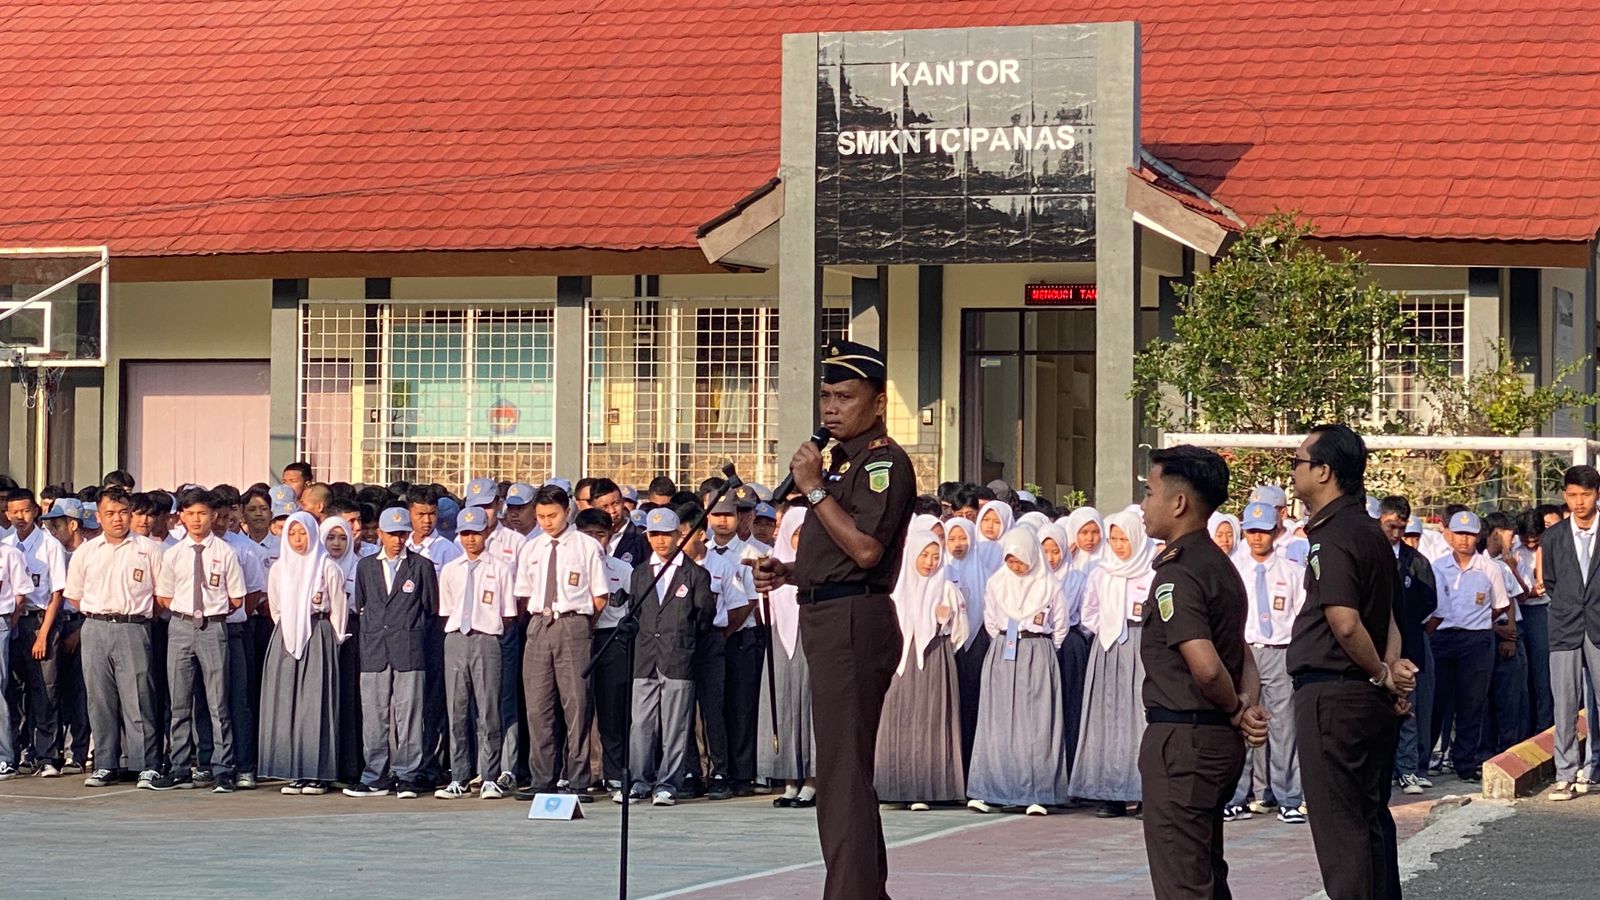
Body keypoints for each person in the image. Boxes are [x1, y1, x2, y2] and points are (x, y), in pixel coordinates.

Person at [754, 339, 917, 900]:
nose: (830, 407)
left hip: (854, 622)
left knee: (843, 776)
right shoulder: (843, 463)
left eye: (845, 396)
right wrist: (791, 572)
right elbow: (840, 557)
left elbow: (868, 553)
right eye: (825, 395)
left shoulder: (883, 463)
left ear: (876, 404)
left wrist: (814, 488)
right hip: (829, 614)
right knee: (842, 772)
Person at [1287, 424, 1417, 900]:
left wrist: (1382, 673)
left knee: (1341, 829)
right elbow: (1388, 621)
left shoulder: (1334, 535)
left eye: (1299, 462)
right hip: (1364, 695)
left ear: (1324, 472)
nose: (1295, 470)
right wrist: (1388, 678)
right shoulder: (1369, 532)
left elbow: (1344, 622)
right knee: (1369, 819)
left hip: (1334, 693)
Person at [1138, 446, 1269, 899]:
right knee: (1206, 871)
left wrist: (1236, 708)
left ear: (1178, 503)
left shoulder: (1181, 572)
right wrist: (1246, 705)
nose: (1144, 504)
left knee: (1183, 880)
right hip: (1212, 740)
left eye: (1150, 492)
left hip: (1184, 740)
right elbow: (1242, 652)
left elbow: (1208, 665)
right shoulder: (1220, 566)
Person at [512, 484, 610, 801]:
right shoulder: (531, 548)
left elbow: (599, 597)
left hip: (573, 622)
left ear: (567, 511)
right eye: (540, 516)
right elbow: (523, 593)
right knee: (538, 707)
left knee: (577, 705)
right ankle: (543, 778)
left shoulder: (585, 546)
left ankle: (578, 779)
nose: (546, 522)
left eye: (552, 515)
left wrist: (579, 624)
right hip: (540, 623)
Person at [63, 489, 165, 789]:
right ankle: (106, 763)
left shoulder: (148, 549)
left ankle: (146, 764)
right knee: (99, 698)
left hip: (134, 626)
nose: (117, 519)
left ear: (130, 513)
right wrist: (101, 615)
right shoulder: (87, 551)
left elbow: (162, 595)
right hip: (95, 627)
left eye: (122, 512)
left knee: (139, 696)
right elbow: (75, 596)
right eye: (110, 513)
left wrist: (139, 616)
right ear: (99, 516)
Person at [966, 527, 1071, 815]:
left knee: (1036, 722)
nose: (1015, 565)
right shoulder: (997, 582)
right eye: (1010, 559)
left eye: (1020, 559)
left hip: (1037, 650)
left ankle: (1037, 791)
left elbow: (1060, 627)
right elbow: (990, 620)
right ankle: (992, 790)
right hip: (1004, 651)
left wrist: (1041, 649)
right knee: (998, 721)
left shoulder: (1050, 586)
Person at [151, 488, 247, 792]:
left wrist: (209, 612)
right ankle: (180, 766)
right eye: (190, 514)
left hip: (214, 627)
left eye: (202, 513)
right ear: (181, 517)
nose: (196, 520)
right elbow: (164, 596)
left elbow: (236, 598)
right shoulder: (174, 554)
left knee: (218, 702)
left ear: (213, 516)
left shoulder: (225, 552)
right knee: (179, 702)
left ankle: (222, 767)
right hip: (180, 627)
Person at [622, 507, 716, 806]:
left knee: (675, 725)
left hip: (678, 657)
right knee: (641, 724)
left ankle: (668, 783)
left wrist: (682, 639)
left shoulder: (696, 574)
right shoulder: (639, 573)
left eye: (666, 534)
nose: (660, 541)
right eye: (654, 534)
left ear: (679, 535)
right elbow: (634, 612)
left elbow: (704, 616)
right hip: (645, 656)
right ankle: (639, 780)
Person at [344, 507, 438, 799]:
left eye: (403, 534)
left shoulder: (421, 566)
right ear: (380, 534)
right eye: (392, 534)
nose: (398, 540)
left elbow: (431, 607)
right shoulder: (366, 566)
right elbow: (362, 604)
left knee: (409, 714)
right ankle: (375, 775)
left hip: (409, 648)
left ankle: (407, 774)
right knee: (374, 715)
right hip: (374, 649)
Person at [1070, 510, 1156, 818]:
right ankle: (1110, 793)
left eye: (1125, 539)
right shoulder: (1101, 572)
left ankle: (1145, 792)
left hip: (1141, 646)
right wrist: (1106, 628)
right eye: (1115, 539)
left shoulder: (1151, 571)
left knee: (1140, 719)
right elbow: (1088, 612)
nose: (1119, 545)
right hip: (1107, 649)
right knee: (1108, 719)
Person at [1225, 501, 1306, 824]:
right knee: (1241, 719)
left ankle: (1287, 797)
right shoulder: (1234, 570)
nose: (1257, 537)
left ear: (1277, 531)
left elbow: (1301, 617)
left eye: (1264, 530)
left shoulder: (1292, 572)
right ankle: (1236, 796)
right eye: (1251, 530)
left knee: (1283, 725)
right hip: (1244, 650)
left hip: (1279, 650)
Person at [876, 521, 966, 810]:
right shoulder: (895, 590)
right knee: (898, 718)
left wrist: (945, 621)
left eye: (935, 556)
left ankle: (927, 786)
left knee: (930, 721)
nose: (930, 563)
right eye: (924, 555)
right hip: (900, 661)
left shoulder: (947, 589)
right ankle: (895, 784)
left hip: (933, 659)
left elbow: (960, 634)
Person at [259, 511, 348, 796]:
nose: (299, 539)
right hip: (286, 637)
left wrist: (330, 641)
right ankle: (292, 771)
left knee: (316, 704)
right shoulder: (279, 569)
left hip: (318, 634)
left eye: (303, 533)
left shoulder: (327, 567)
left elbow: (339, 611)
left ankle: (317, 772)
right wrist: (289, 628)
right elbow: (275, 609)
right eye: (293, 533)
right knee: (286, 703)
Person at [434, 506, 517, 799]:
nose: (470, 539)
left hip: (487, 639)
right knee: (456, 710)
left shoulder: (500, 568)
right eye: (465, 533)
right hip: (456, 639)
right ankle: (458, 775)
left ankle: (490, 776)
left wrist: (487, 630)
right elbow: (446, 610)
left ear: (486, 532)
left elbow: (507, 613)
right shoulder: (450, 570)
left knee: (488, 709)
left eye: (476, 532)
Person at [1428, 510, 1510, 782]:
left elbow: (1500, 606)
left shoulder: (1490, 569)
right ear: (1449, 534)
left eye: (1470, 534)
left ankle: (1464, 762)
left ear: (1478, 536)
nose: (1464, 540)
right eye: (1459, 533)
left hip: (1475, 639)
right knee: (1435, 701)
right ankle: (1423, 760)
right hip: (1442, 637)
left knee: (1471, 703)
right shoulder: (1437, 566)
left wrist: (1477, 622)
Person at [1540, 465, 1600, 801]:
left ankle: (1593, 770)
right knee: (1564, 701)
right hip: (1564, 627)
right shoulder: (1553, 537)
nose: (1579, 502)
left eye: (1586, 495)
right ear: (1565, 496)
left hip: (1599, 625)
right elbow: (1550, 582)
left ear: (1597, 495)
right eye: (1573, 495)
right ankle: (1565, 773)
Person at [5, 487, 69, 777]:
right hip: (10, 621)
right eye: (14, 511)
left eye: (25, 511)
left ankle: (48, 755)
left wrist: (44, 633)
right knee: (13, 689)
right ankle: (17, 751)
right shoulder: (6, 544)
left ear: (36, 511)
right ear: (7, 513)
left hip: (39, 619)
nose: (20, 517)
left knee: (45, 688)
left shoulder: (49, 545)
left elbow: (57, 593)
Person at [1378, 495, 1438, 796]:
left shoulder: (1416, 562)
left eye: (1402, 527)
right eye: (1391, 526)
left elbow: (1430, 603)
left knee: (1410, 706)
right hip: (1374, 646)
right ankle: (1384, 768)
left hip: (1410, 642)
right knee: (1381, 708)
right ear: (1380, 519)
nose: (1397, 533)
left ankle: (1410, 769)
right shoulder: (1370, 555)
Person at [758, 508, 817, 809]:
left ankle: (812, 780)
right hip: (781, 642)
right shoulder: (773, 565)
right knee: (783, 705)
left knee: (809, 707)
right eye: (796, 534)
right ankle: (789, 779)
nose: (801, 539)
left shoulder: (819, 566)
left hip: (811, 641)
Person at [574, 507, 634, 793]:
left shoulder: (622, 569)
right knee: (577, 710)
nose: (596, 541)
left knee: (612, 710)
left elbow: (631, 609)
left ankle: (613, 772)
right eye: (588, 535)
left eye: (601, 534)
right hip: (576, 638)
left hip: (611, 639)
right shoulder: (569, 566)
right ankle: (577, 772)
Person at [1039, 521, 1091, 776]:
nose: (1050, 558)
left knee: (1069, 706)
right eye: (1045, 550)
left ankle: (1070, 770)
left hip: (1069, 647)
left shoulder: (1078, 578)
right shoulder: (1033, 578)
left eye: (1056, 551)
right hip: (1038, 646)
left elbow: (1086, 615)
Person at [319, 516, 365, 786]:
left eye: (342, 538)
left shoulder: (360, 567)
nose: (336, 544)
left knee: (348, 699)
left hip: (352, 635)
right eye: (330, 537)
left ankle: (349, 766)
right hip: (322, 633)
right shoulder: (313, 566)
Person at [943, 516, 987, 773]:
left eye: (963, 538)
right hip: (948, 647)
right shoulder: (943, 571)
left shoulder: (985, 572)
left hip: (978, 644)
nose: (958, 544)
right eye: (951, 538)